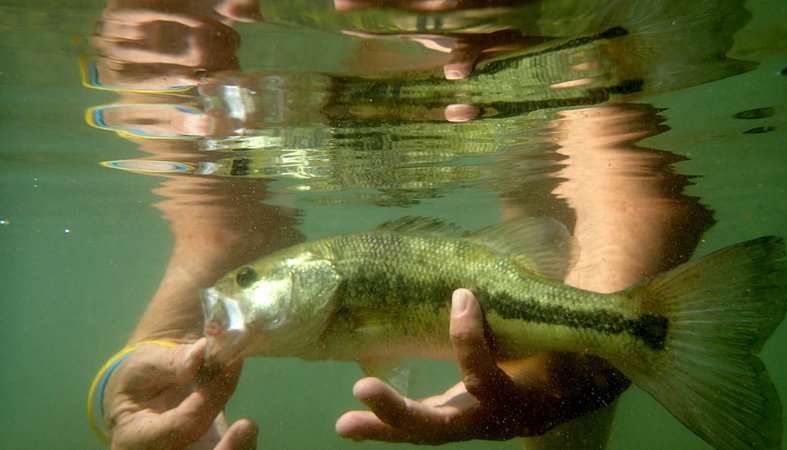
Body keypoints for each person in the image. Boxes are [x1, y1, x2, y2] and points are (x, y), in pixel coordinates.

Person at [85, 1, 734, 449]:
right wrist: (121, 389)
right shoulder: (204, 94)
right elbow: (224, 240)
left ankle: (629, 335)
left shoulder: (606, 44)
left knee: (561, 341)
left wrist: (572, 373)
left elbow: (635, 200)